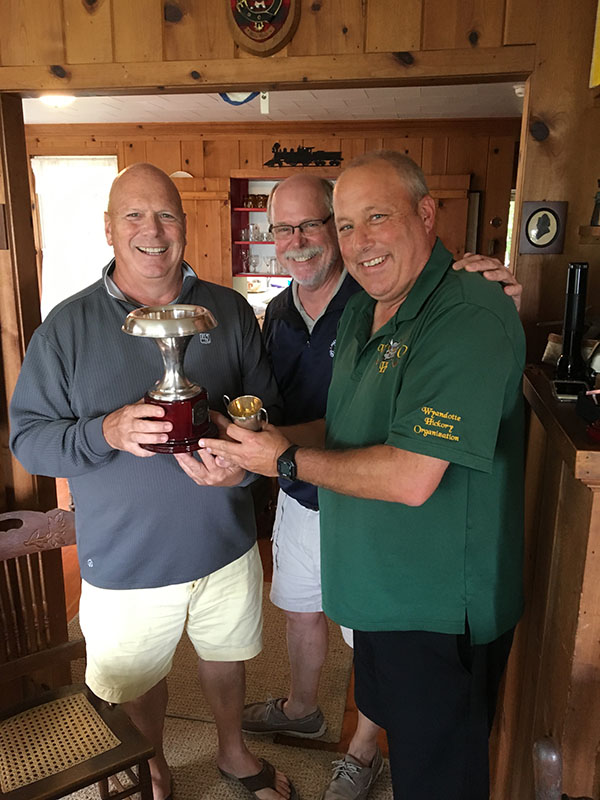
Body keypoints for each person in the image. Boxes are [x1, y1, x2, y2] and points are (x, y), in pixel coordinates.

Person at [178, 162, 524, 800]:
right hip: (380, 595)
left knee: (439, 779)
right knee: (408, 756)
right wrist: (250, 445)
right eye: (348, 225)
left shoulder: (468, 313)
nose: (360, 240)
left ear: (426, 216)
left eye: (377, 217)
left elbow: (415, 474)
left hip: (439, 608)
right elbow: (341, 431)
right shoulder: (370, 309)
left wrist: (283, 461)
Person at [9, 163, 297, 800]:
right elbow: (28, 440)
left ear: (185, 225)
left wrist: (241, 459)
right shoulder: (66, 327)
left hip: (224, 541)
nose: (152, 230)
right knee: (138, 678)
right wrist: (105, 432)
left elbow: (264, 406)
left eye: (166, 214)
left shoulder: (226, 310)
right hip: (126, 559)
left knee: (226, 657)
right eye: (134, 216)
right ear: (108, 229)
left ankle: (232, 750)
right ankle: (155, 765)